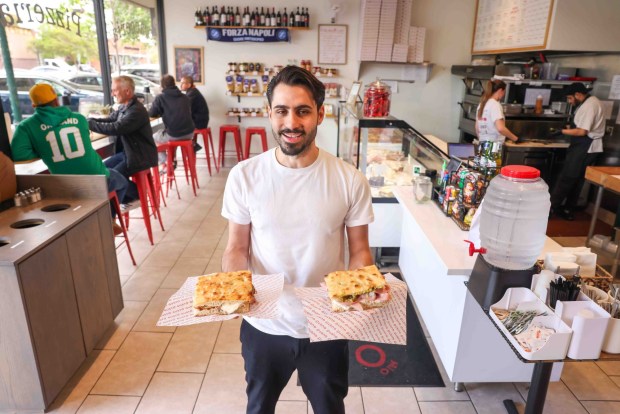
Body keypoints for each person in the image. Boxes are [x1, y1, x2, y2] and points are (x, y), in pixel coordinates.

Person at [221, 66, 374, 414]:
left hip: (326, 324)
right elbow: (236, 247)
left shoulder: (349, 180)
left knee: (329, 407)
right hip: (264, 322)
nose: (292, 122)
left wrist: (358, 295)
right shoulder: (245, 176)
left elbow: (360, 250)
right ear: (270, 113)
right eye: (282, 111)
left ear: (321, 113)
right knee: (258, 407)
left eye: (303, 111)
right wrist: (231, 287)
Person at [11, 83, 128, 234]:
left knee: (112, 173)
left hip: (66, 186)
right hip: (97, 179)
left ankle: (98, 215)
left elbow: (18, 154)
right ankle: (108, 219)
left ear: (34, 105)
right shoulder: (79, 119)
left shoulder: (26, 126)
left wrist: (42, 149)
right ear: (56, 100)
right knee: (122, 182)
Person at [88, 76, 158, 203]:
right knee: (101, 172)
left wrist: (90, 125)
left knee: (111, 178)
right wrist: (89, 120)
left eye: (115, 90)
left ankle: (138, 193)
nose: (112, 93)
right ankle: (128, 196)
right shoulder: (123, 107)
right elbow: (110, 119)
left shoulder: (136, 110)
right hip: (127, 153)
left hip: (140, 157)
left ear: (127, 92)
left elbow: (117, 128)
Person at [550, 82, 605, 220]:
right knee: (575, 179)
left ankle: (551, 209)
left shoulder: (590, 105)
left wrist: (561, 131)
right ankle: (566, 209)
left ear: (578, 95)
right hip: (583, 145)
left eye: (570, 98)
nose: (569, 101)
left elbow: (582, 131)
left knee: (568, 178)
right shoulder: (588, 103)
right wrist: (568, 127)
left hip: (586, 146)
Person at [149, 75, 195, 166]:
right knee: (161, 133)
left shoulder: (161, 98)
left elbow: (152, 113)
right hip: (190, 133)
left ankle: (167, 162)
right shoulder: (185, 97)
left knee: (152, 138)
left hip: (175, 134)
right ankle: (169, 161)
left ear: (162, 86)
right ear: (174, 84)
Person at [475, 79, 519, 167]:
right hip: (494, 147)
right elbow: (500, 128)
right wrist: (515, 139)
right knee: (492, 177)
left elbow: (477, 127)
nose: (503, 95)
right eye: (504, 92)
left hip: (482, 146)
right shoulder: (495, 105)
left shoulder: (482, 104)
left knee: (482, 176)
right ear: (500, 91)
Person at [180, 75, 210, 153]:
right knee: (178, 127)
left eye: (182, 83)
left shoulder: (192, 93)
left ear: (189, 85)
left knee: (177, 129)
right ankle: (192, 145)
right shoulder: (192, 92)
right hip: (199, 120)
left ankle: (192, 145)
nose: (180, 85)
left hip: (199, 123)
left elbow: (184, 108)